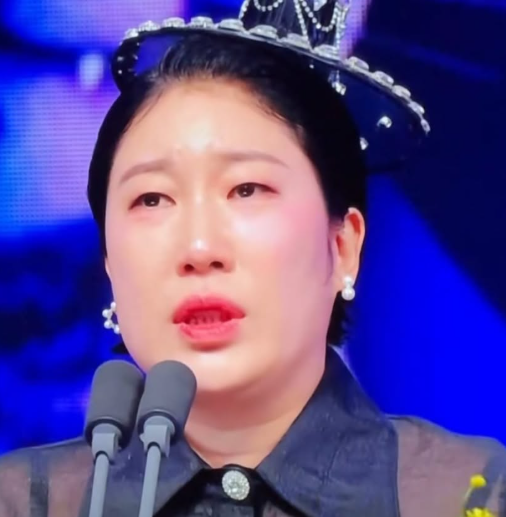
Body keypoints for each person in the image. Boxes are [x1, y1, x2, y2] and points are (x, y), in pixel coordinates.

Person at [0, 0, 505, 516]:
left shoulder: (465, 489)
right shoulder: (26, 496)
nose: (199, 249)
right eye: (152, 199)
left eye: (247, 190)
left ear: (342, 247)